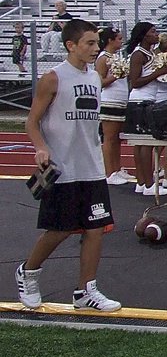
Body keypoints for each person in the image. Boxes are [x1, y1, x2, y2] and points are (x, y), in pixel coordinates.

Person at [16, 18, 121, 313]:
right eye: (89, 43)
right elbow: (32, 121)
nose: (95, 48)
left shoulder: (94, 78)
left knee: (96, 228)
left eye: (96, 43)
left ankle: (86, 290)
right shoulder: (53, 78)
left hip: (91, 166)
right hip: (62, 167)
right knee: (59, 229)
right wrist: (41, 148)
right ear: (70, 45)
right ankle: (28, 271)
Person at [123, 22, 167, 195]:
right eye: (153, 31)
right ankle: (150, 185)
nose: (156, 34)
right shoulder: (139, 54)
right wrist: (158, 73)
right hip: (140, 101)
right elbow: (135, 82)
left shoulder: (149, 53)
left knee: (141, 144)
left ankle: (142, 182)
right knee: (145, 144)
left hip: (145, 100)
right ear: (144, 35)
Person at [95, 27, 133, 185]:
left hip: (121, 100)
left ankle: (117, 169)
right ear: (110, 40)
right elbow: (99, 82)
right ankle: (109, 173)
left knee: (117, 139)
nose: (121, 41)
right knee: (109, 139)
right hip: (109, 101)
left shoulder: (116, 56)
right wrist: (115, 76)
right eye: (118, 38)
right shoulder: (103, 58)